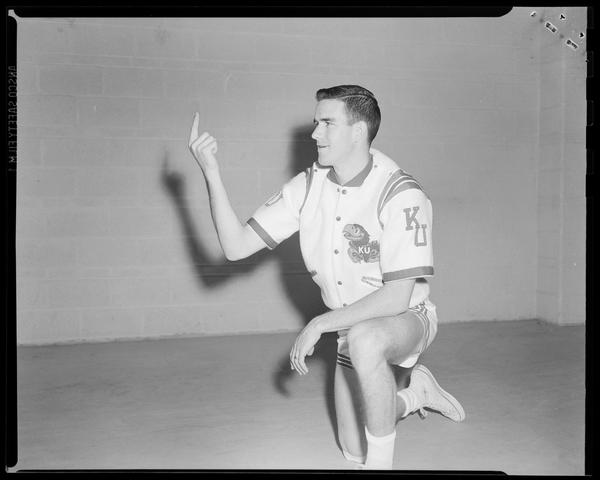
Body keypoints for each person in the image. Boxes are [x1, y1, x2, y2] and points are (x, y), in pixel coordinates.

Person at [188, 85, 465, 470]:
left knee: (367, 339)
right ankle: (416, 394)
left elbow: (397, 297)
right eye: (316, 122)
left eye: (327, 123)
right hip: (348, 328)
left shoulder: (400, 192)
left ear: (358, 131)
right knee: (353, 448)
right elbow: (235, 247)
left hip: (406, 318)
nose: (315, 133)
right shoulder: (307, 186)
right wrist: (211, 172)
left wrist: (319, 324)